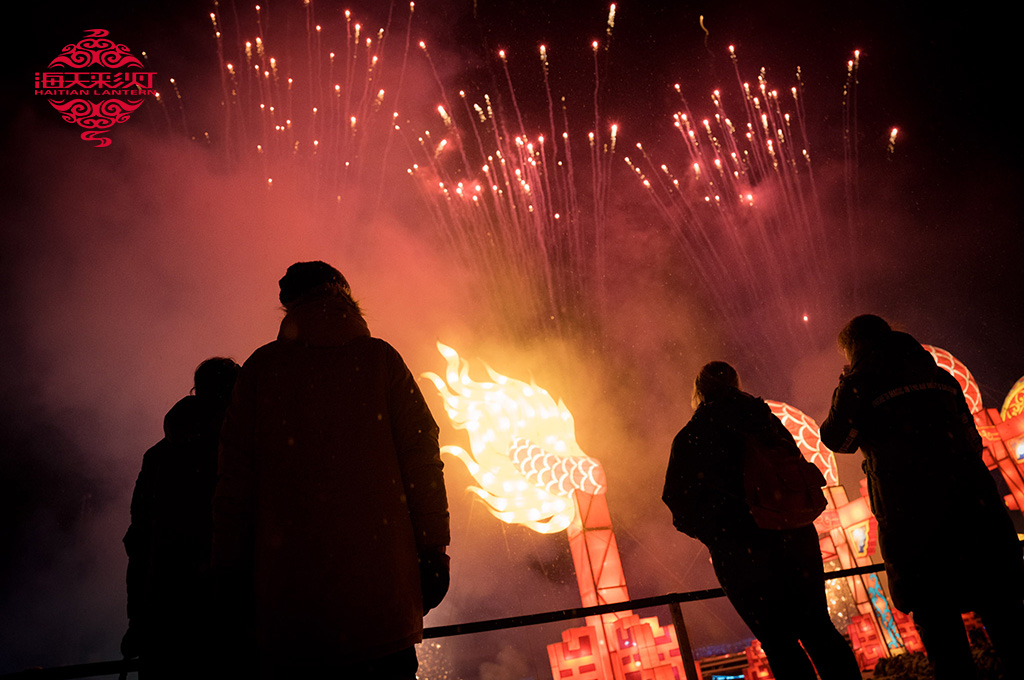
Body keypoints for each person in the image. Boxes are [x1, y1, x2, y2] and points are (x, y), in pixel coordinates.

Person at [212, 261, 450, 679]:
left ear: (289, 307)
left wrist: (230, 570)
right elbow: (422, 462)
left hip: (291, 609)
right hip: (382, 606)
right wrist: (433, 551)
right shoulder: (381, 362)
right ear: (346, 299)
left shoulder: (261, 371)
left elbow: (234, 483)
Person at [820, 314, 1024, 680]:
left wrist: (848, 382)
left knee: (942, 632)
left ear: (853, 349)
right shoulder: (939, 376)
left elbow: (836, 439)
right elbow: (973, 441)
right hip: (977, 514)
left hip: (914, 524)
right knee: (1007, 621)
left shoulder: (860, 383)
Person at [663, 361, 861, 680]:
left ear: (699, 393)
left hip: (740, 549)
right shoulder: (767, 423)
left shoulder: (691, 437)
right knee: (818, 630)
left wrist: (718, 533)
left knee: (778, 642)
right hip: (795, 534)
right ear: (737, 385)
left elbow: (679, 504)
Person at [122, 356, 241, 679]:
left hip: (162, 618)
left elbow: (140, 541)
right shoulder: (236, 457)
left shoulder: (159, 456)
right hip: (224, 619)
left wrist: (137, 622)